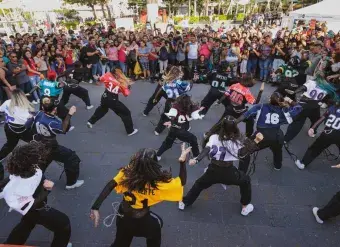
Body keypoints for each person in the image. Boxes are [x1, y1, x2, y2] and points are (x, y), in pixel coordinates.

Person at [90, 143, 191, 247]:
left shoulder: (126, 173)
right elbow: (182, 182)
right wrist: (182, 162)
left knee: (120, 243)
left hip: (123, 216)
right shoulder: (159, 184)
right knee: (155, 235)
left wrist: (95, 207)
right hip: (143, 220)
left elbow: (110, 185)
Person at [179, 116, 263, 216]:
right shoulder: (238, 140)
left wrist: (196, 160)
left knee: (199, 184)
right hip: (229, 172)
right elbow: (243, 154)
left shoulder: (214, 137)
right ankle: (245, 206)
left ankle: (185, 202)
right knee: (245, 180)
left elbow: (207, 149)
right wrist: (256, 141)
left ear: (222, 126)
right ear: (235, 127)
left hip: (213, 170)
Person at [0, 142, 72, 247]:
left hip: (31, 211)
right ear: (31, 161)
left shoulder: (21, 169)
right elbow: (33, 205)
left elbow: (7, 181)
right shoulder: (25, 184)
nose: (40, 157)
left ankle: (10, 244)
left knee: (27, 223)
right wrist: (47, 189)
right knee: (64, 224)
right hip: (37, 209)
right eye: (38, 156)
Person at [25, 97, 83, 189]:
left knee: (41, 165)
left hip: (38, 144)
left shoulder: (39, 113)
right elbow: (64, 129)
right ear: (55, 109)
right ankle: (71, 183)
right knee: (72, 157)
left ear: (43, 108)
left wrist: (31, 118)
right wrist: (69, 114)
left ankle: (31, 183)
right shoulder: (52, 122)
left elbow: (26, 125)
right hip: (50, 147)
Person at [237, 92, 302, 172]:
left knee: (244, 152)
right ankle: (278, 165)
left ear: (270, 99)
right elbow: (298, 108)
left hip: (261, 136)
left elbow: (245, 115)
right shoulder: (284, 110)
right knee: (277, 151)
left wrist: (235, 122)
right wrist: (289, 100)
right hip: (277, 136)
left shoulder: (260, 107)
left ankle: (241, 173)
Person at [87, 68, 138, 136]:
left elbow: (100, 79)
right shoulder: (121, 83)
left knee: (103, 109)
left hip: (105, 96)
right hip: (112, 99)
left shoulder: (107, 75)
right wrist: (128, 87)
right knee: (126, 113)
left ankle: (90, 122)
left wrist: (98, 78)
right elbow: (126, 94)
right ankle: (130, 131)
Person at [284, 76, 336, 143]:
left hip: (304, 104)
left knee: (297, 123)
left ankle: (286, 139)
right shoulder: (327, 87)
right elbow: (329, 99)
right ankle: (313, 131)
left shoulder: (311, 82)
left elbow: (303, 88)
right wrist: (323, 103)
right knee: (316, 120)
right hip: (315, 106)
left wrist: (294, 92)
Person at [156, 94, 203, 161]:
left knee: (167, 143)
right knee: (193, 139)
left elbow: (170, 115)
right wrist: (198, 110)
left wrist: (170, 122)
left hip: (173, 129)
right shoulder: (191, 108)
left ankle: (158, 155)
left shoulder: (175, 107)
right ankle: (196, 155)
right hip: (182, 131)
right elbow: (196, 117)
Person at [0, 89, 34, 180]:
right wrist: (32, 117)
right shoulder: (23, 109)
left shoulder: (7, 102)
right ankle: (34, 158)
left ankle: (0, 156)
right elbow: (28, 121)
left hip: (9, 127)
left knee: (10, 144)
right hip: (21, 129)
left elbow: (1, 109)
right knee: (34, 141)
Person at [295, 102, 340, 170]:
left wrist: (312, 128)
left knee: (315, 149)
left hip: (327, 134)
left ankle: (303, 163)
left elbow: (321, 119)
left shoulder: (333, 108)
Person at [154, 66, 193, 135]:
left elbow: (160, 90)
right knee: (183, 115)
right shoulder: (180, 83)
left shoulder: (166, 82)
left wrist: (155, 98)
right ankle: (186, 128)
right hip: (178, 102)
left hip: (169, 102)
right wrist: (191, 81)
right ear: (178, 74)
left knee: (165, 116)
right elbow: (189, 87)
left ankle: (158, 130)